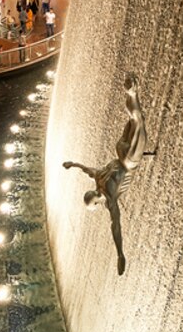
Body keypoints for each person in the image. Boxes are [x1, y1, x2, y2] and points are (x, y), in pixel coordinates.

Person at [63, 73, 156, 275]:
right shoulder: (98, 178)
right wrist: (73, 164)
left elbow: (116, 226)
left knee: (138, 122)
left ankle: (132, 92)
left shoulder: (110, 199)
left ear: (96, 203)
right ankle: (131, 94)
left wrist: (120, 254)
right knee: (134, 120)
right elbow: (87, 170)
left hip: (130, 161)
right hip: (120, 150)